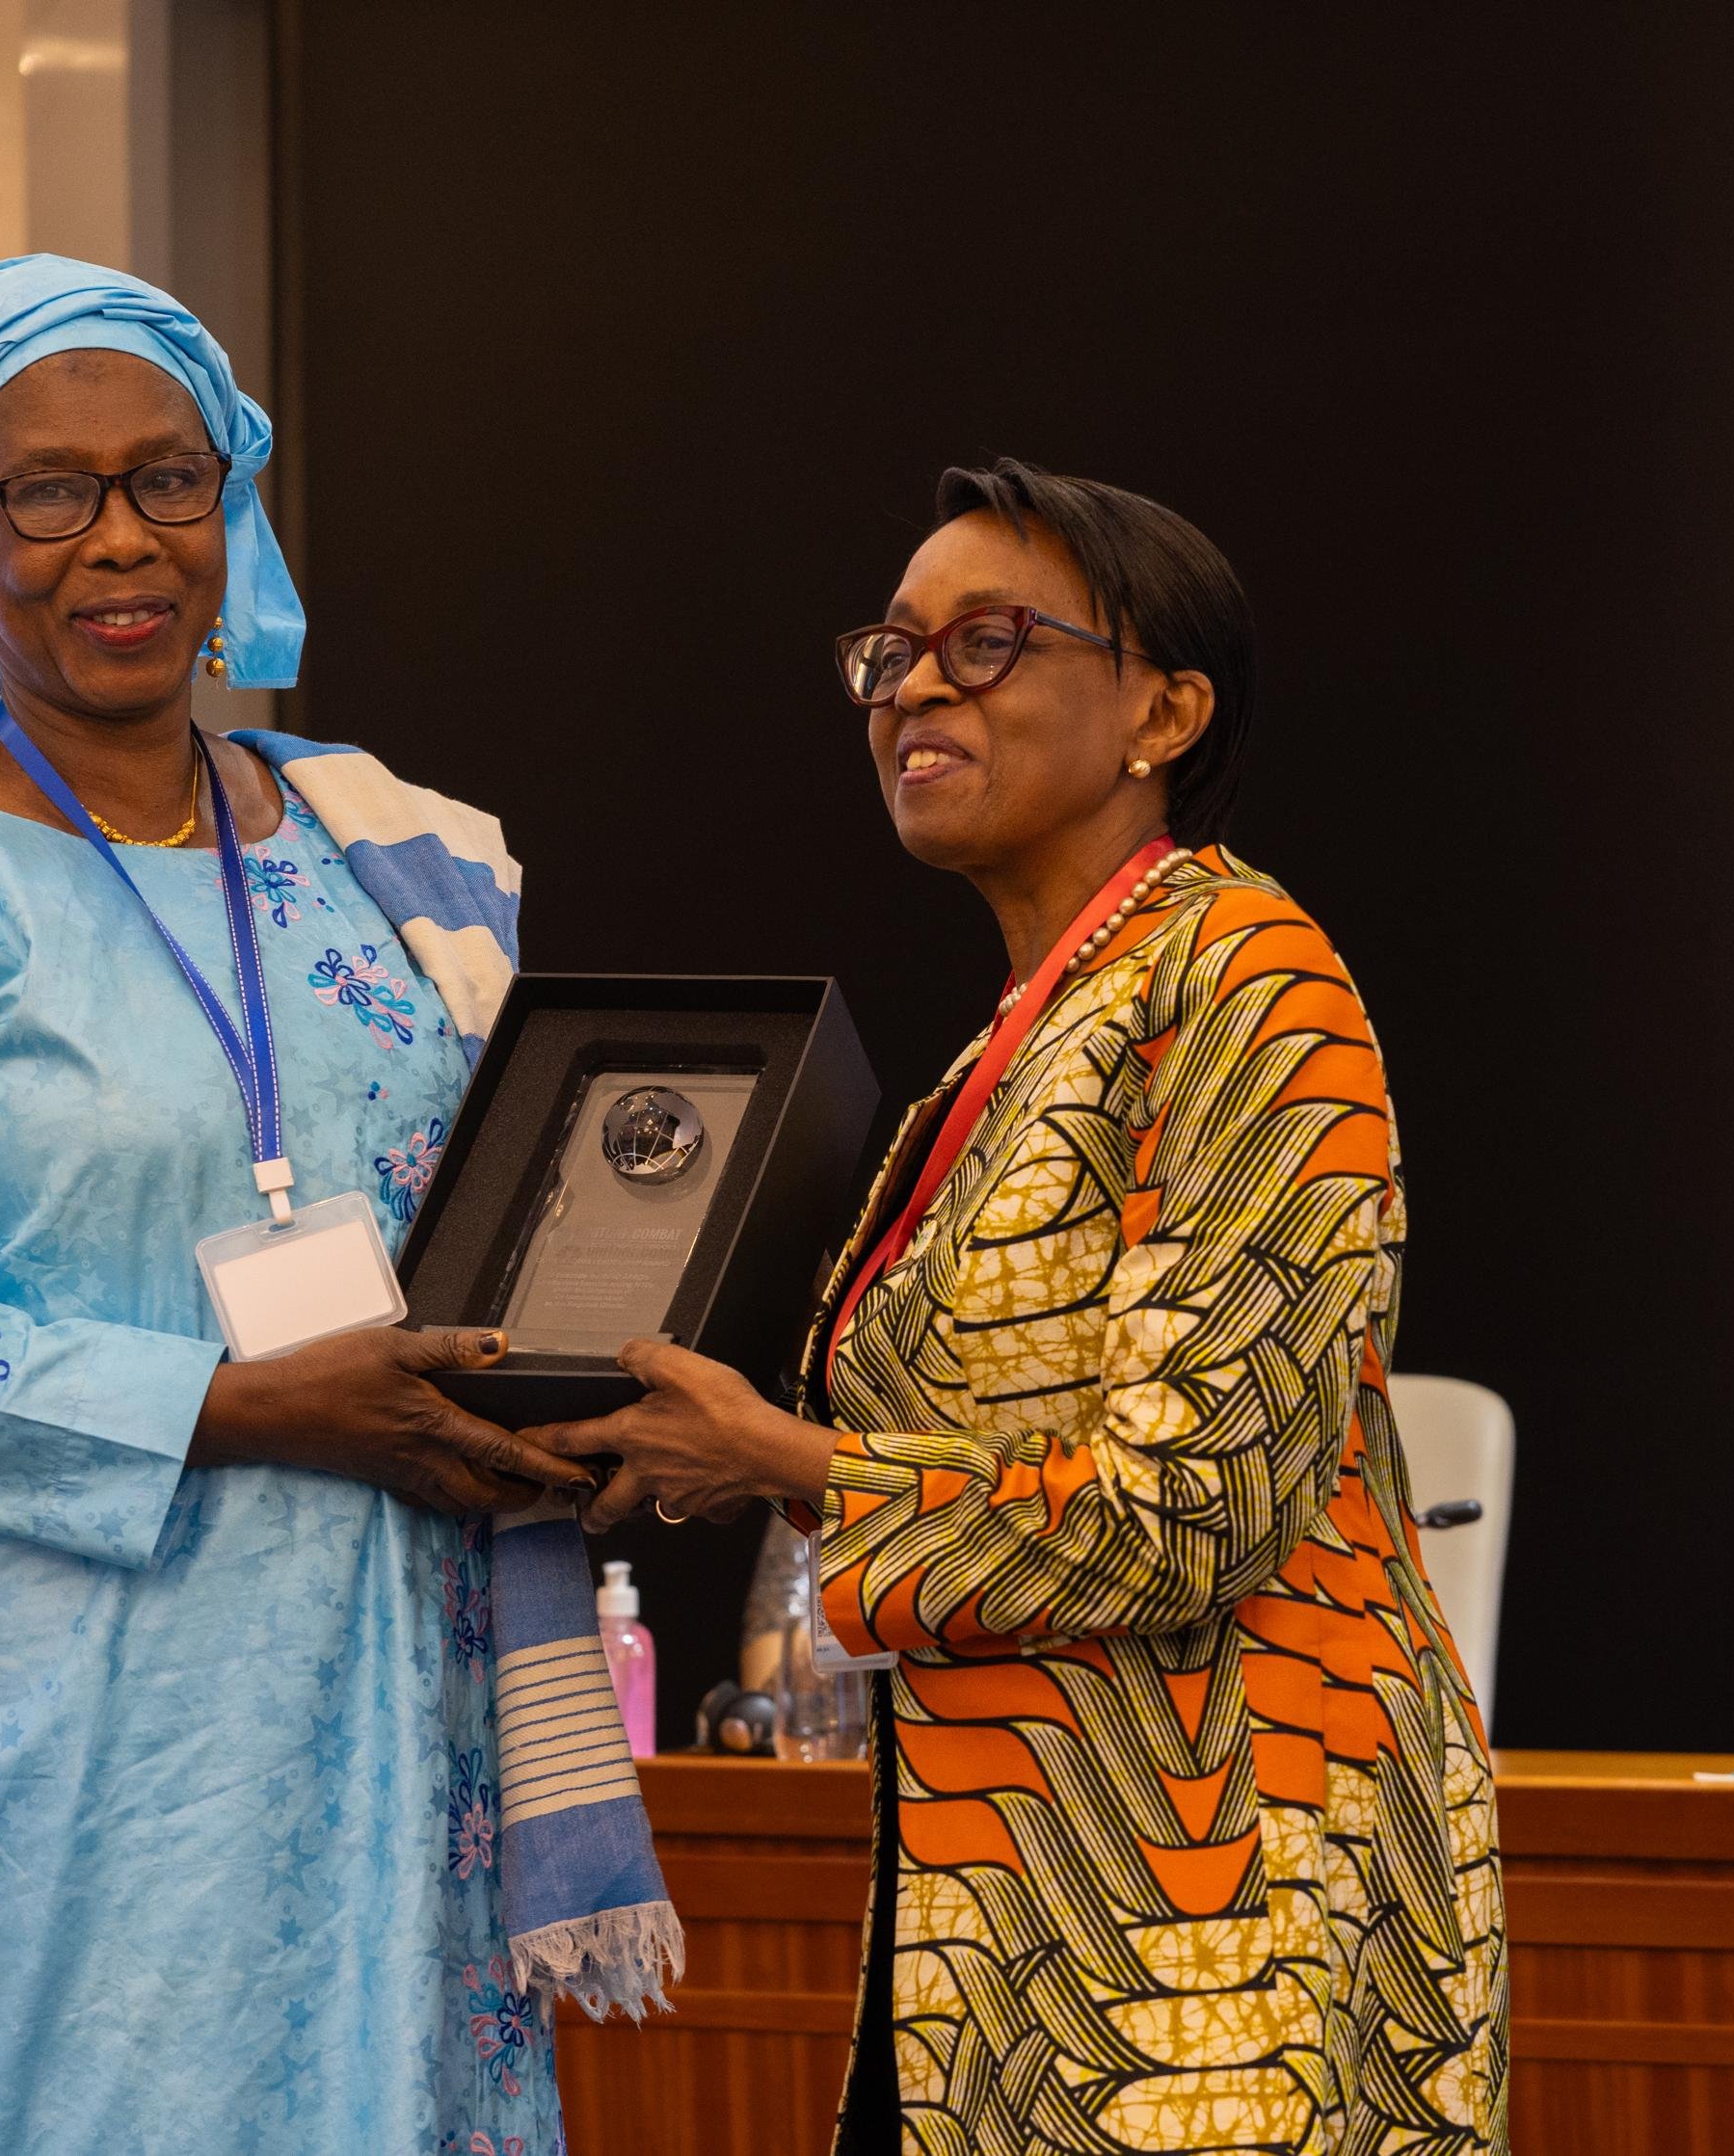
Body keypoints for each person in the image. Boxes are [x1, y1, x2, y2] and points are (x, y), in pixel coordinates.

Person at [0, 256, 609, 2154]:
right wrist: (232, 1403)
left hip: (391, 1715)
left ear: (227, 502)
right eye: (41, 489)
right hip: (70, 1770)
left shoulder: (383, 851)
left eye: (164, 479)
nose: (116, 539)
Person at [532, 461, 1508, 2152]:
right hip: (1016, 1911)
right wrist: (697, 1449)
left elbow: (1188, 1507)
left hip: (1227, 1924)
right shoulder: (1010, 1042)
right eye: (891, 650)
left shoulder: (1247, 975)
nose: (913, 684)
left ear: (1165, 708)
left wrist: (791, 1456)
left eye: (986, 641)